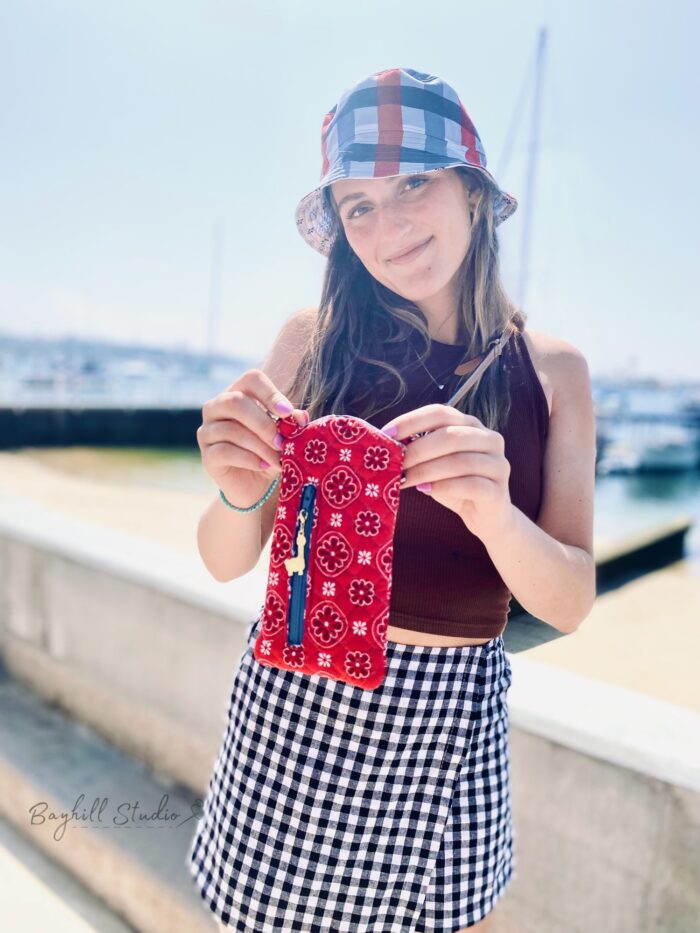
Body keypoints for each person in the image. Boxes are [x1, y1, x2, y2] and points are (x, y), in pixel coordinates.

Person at [187, 66, 596, 932]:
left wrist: (494, 509)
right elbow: (228, 562)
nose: (391, 223)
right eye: (359, 204)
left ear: (474, 192)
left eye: (415, 182)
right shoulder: (311, 341)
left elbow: (568, 595)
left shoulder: (553, 372)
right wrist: (235, 492)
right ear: (337, 227)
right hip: (295, 706)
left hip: (453, 715)